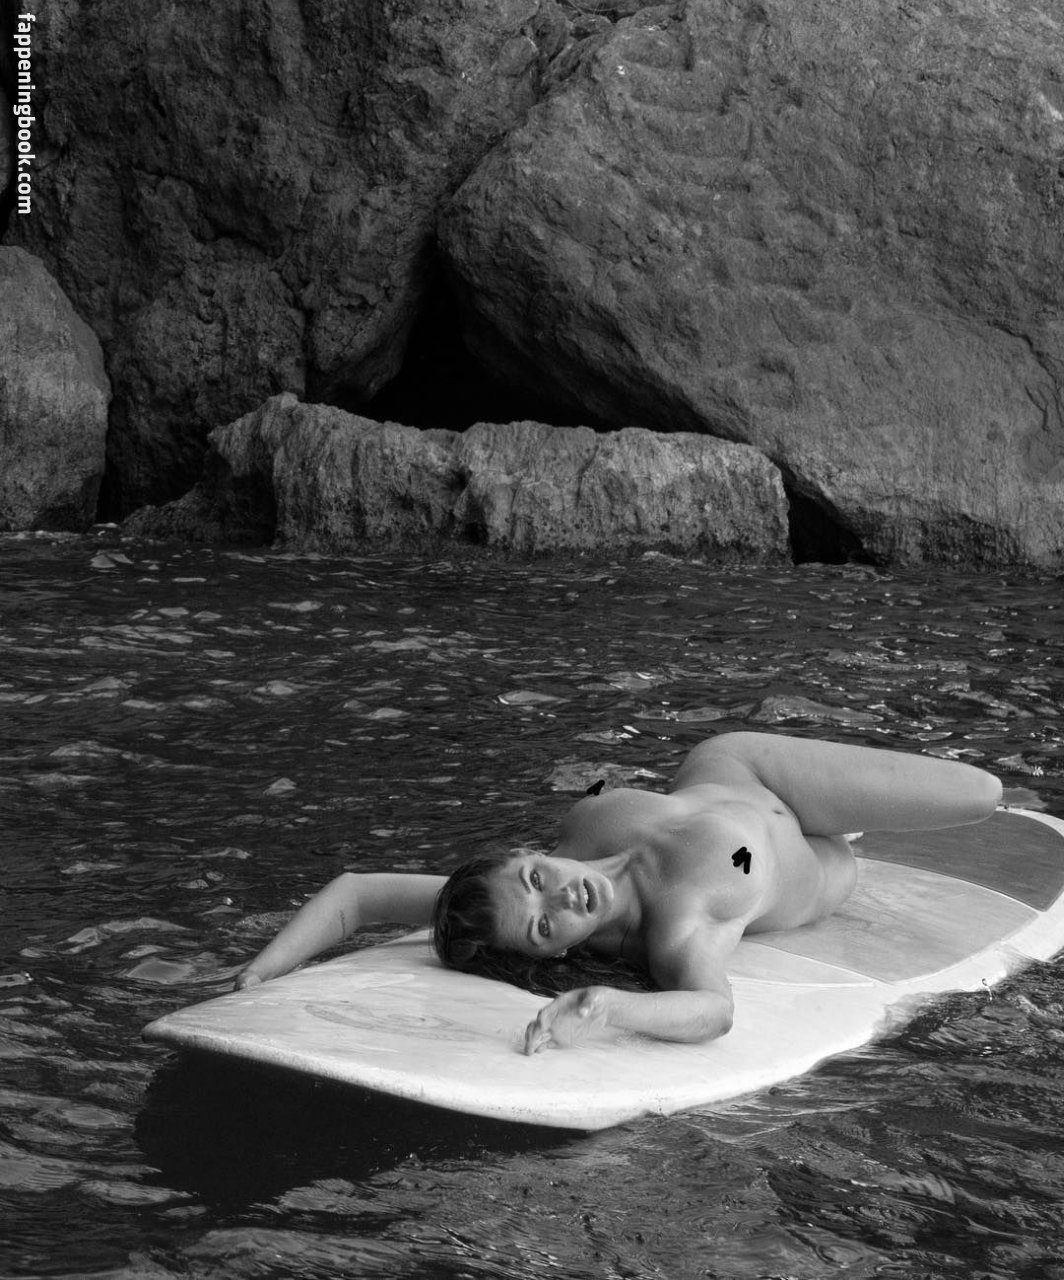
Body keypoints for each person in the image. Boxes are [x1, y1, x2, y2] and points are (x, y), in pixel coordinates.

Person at [234, 732, 1002, 1054]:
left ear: (527, 855)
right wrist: (609, 1008)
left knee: (985, 789)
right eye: (544, 928)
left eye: (537, 880)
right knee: (981, 798)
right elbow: (714, 1010)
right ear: (553, 953)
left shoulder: (537, 869)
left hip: (736, 766)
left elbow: (360, 893)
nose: (561, 901)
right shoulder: (678, 926)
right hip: (817, 859)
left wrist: (259, 974)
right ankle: (854, 829)